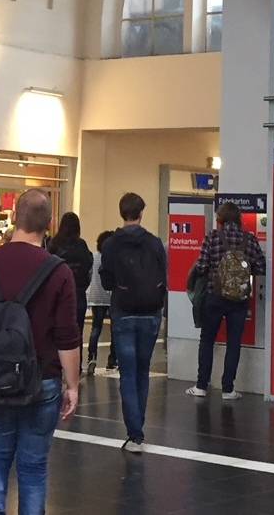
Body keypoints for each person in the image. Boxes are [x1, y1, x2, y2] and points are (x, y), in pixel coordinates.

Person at [0, 189, 80, 515]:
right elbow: (68, 337)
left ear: (13, 216)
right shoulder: (59, 272)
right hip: (43, 381)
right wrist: (73, 385)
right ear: (49, 223)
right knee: (33, 467)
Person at [98, 192, 168, 454]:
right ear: (142, 213)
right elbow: (163, 273)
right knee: (142, 370)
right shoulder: (154, 243)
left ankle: (135, 433)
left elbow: (106, 281)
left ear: (121, 212)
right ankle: (139, 426)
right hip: (151, 312)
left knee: (127, 373)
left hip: (123, 311)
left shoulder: (112, 244)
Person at [188, 202, 266, 400]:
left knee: (207, 340)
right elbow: (260, 267)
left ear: (220, 219)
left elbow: (202, 266)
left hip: (215, 296)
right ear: (239, 218)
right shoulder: (249, 239)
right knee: (234, 343)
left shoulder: (213, 237)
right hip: (239, 300)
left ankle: (201, 386)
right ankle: (228, 389)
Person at [47, 212, 94, 339]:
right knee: (77, 333)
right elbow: (89, 267)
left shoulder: (53, 245)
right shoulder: (82, 245)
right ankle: (76, 358)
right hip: (78, 294)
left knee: (56, 333)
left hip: (57, 294)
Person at [84, 230, 117, 375]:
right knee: (114, 331)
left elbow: (90, 274)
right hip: (111, 297)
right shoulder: (113, 258)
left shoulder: (94, 257)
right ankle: (112, 361)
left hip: (96, 297)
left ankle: (92, 357)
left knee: (96, 329)